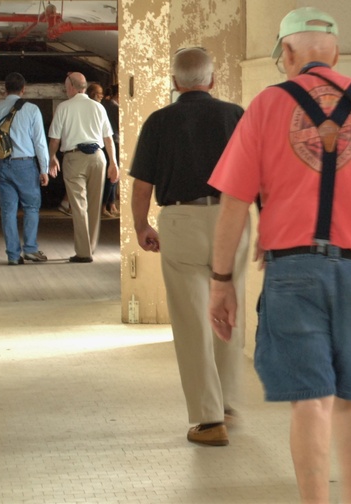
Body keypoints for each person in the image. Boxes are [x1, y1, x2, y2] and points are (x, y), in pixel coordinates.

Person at [208, 7, 351, 502]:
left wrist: (221, 280)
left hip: (293, 272)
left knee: (310, 401)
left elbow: (233, 206)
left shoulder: (266, 107)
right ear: (337, 54)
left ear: (287, 53)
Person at [129, 47, 250, 447]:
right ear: (212, 80)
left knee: (191, 319)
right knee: (229, 310)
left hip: (180, 222)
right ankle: (229, 404)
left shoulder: (159, 121)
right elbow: (258, 175)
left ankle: (208, 418)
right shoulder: (235, 116)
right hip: (232, 219)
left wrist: (141, 224)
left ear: (175, 82)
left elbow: (143, 183)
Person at [0, 74, 50, 266]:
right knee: (31, 207)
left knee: (8, 211)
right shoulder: (32, 110)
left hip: (2, 165)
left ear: (5, 89)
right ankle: (30, 250)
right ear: (23, 89)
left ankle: (12, 255)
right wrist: (44, 169)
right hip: (25, 165)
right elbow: (40, 143)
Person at [47, 72, 119, 263]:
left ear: (71, 86)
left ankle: (83, 252)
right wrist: (113, 163)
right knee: (95, 205)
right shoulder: (98, 107)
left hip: (74, 157)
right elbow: (108, 138)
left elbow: (55, 138)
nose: (65, 90)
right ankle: (90, 247)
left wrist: (52, 157)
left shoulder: (64, 107)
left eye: (65, 87)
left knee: (79, 206)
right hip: (98, 158)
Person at [101, 85, 120, 216]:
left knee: (109, 175)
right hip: (114, 142)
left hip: (103, 143)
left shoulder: (103, 105)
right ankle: (106, 206)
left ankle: (110, 204)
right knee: (113, 175)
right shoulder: (116, 108)